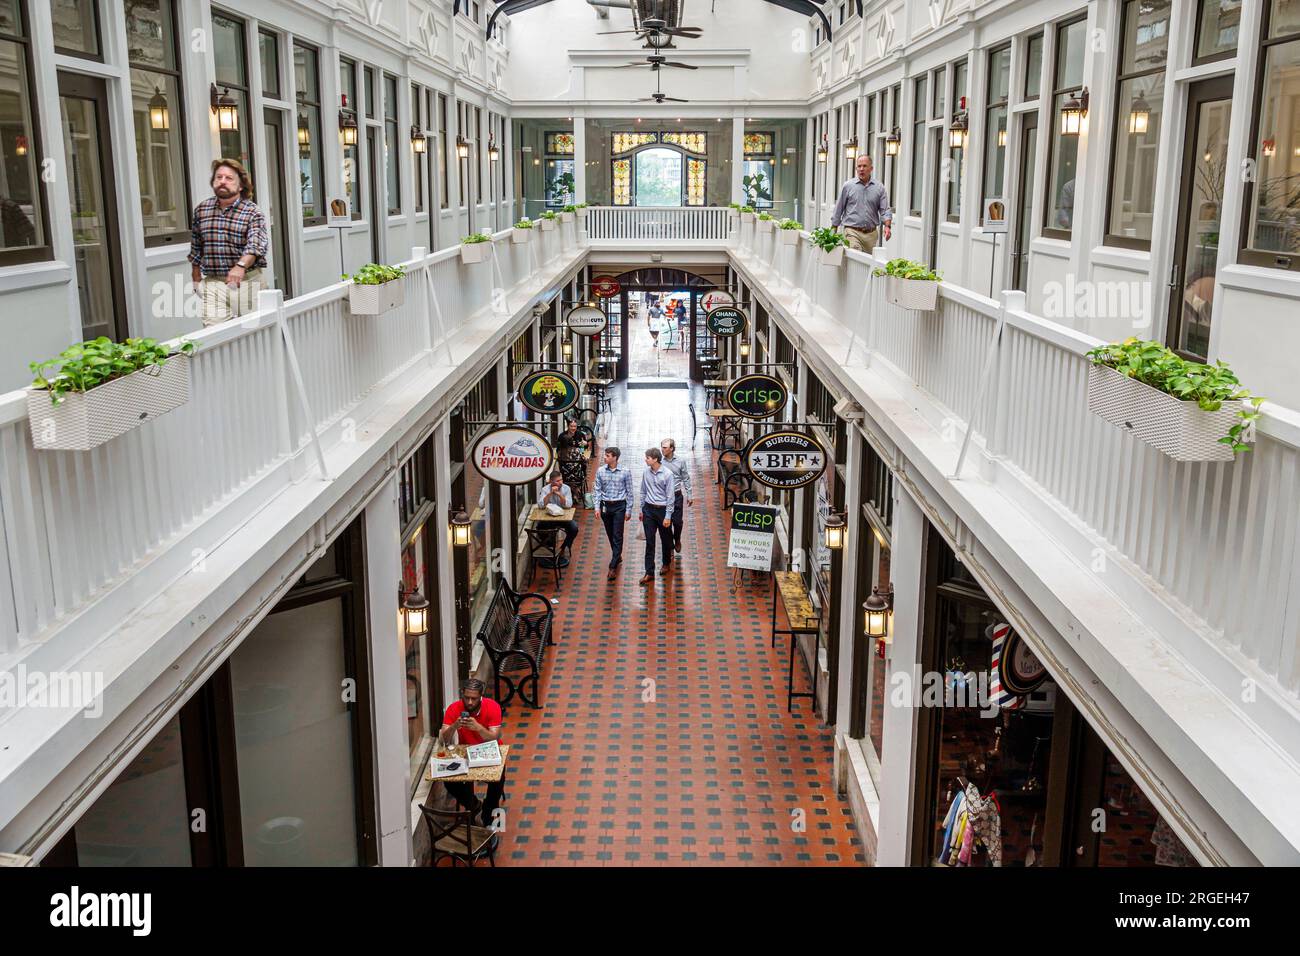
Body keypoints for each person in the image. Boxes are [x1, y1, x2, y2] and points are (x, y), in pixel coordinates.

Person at [189, 159, 268, 326]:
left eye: (229, 178)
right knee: (214, 335)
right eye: (219, 177)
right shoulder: (201, 210)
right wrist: (196, 277)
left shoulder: (253, 212)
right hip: (213, 283)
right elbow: (197, 247)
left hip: (248, 282)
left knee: (254, 333)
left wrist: (240, 266)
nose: (222, 181)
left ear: (241, 186)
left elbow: (256, 245)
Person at [438, 678, 506, 828]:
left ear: (481, 696)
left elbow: (495, 737)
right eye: (466, 697)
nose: (469, 702)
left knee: (498, 780)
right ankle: (473, 805)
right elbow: (444, 738)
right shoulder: (454, 708)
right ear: (462, 694)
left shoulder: (492, 706)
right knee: (448, 781)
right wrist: (455, 725)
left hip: (490, 750)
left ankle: (488, 812)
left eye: (473, 699)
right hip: (466, 752)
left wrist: (478, 728)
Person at [830, 153, 893, 254]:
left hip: (871, 234)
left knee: (867, 265)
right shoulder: (848, 186)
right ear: (856, 169)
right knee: (856, 255)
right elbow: (839, 208)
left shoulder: (879, 187)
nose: (861, 169)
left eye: (864, 166)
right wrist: (833, 229)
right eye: (859, 166)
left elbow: (885, 210)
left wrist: (887, 226)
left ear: (871, 168)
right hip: (852, 231)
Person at [592, 445, 634, 581]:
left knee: (617, 534)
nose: (604, 457)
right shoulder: (600, 471)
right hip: (605, 506)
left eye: (608, 456)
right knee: (610, 533)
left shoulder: (625, 472)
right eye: (605, 455)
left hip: (619, 506)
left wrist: (628, 510)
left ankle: (613, 565)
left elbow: (629, 492)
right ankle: (618, 555)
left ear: (615, 458)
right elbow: (597, 490)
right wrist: (597, 507)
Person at [638, 447, 676, 585]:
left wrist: (668, 516)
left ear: (655, 459)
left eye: (647, 457)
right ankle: (649, 572)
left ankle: (666, 563)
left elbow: (670, 497)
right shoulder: (645, 473)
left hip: (662, 510)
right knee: (650, 542)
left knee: (666, 539)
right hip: (648, 510)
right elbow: (643, 491)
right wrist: (642, 509)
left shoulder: (668, 474)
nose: (645, 459)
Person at [659, 438, 693, 554]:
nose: (662, 449)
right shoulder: (660, 462)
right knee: (666, 523)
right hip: (664, 497)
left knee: (677, 522)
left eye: (665, 447)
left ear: (672, 448)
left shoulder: (680, 461)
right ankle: (669, 546)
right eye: (662, 447)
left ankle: (677, 538)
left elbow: (685, 478)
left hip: (677, 495)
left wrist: (689, 494)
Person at [536, 469, 579, 550]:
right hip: (549, 518)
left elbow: (569, 505)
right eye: (557, 481)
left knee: (574, 528)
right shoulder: (545, 489)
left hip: (564, 518)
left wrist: (559, 495)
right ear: (551, 482)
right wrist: (550, 494)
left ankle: (564, 547)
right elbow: (541, 506)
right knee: (540, 527)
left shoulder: (566, 489)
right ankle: (549, 548)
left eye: (561, 480)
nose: (561, 482)